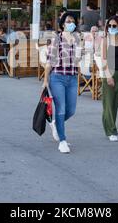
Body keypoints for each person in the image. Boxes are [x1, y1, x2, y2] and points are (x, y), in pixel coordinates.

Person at [43, 12, 81, 154]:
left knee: (71, 110)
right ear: (63, 24)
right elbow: (49, 60)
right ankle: (62, 141)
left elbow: (78, 59)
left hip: (72, 78)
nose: (70, 23)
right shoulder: (56, 39)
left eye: (73, 21)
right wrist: (46, 80)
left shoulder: (77, 39)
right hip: (57, 77)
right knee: (61, 109)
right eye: (68, 21)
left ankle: (55, 124)